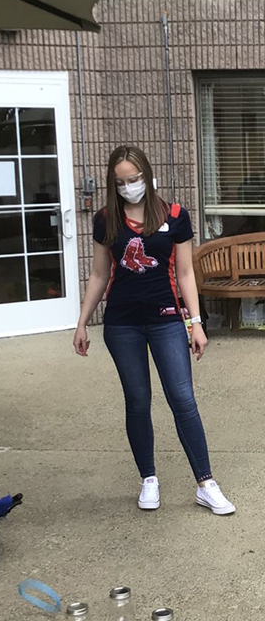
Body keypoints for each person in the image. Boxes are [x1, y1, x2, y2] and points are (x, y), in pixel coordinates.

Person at [73, 145, 235, 515]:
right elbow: (100, 274)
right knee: (138, 400)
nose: (129, 186)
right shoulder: (105, 220)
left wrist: (196, 323)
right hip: (122, 323)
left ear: (147, 175)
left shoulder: (175, 216)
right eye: (121, 182)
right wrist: (82, 322)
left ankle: (205, 483)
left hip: (166, 320)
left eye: (134, 179)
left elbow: (185, 272)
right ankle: (149, 478)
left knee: (182, 398)